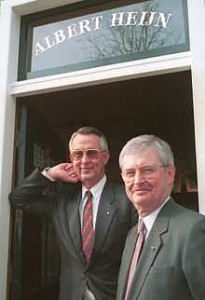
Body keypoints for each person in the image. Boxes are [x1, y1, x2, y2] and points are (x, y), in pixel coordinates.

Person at [9, 126, 137, 300]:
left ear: (105, 157)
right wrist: (51, 173)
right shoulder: (62, 201)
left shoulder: (127, 198)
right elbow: (19, 199)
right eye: (78, 154)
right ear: (71, 159)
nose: (84, 160)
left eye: (91, 153)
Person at [116, 134, 205, 300]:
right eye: (130, 173)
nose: (137, 180)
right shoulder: (132, 236)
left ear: (170, 173)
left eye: (147, 170)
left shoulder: (193, 230)